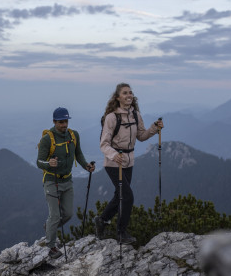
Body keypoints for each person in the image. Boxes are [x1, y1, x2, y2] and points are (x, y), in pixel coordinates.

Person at [95, 83, 164, 244]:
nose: (129, 95)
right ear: (118, 97)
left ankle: (102, 220)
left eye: (130, 92)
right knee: (127, 196)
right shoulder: (112, 117)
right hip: (114, 163)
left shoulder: (135, 115)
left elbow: (141, 136)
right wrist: (114, 155)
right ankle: (121, 232)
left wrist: (154, 128)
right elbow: (104, 144)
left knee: (119, 194)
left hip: (129, 161)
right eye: (125, 93)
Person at [37, 107, 95, 259]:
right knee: (55, 215)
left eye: (66, 121)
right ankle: (50, 246)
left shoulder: (73, 135)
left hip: (67, 180)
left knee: (68, 214)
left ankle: (49, 227)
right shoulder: (47, 139)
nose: (64, 124)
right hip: (51, 180)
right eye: (61, 122)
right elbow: (39, 162)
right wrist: (49, 164)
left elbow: (78, 153)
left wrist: (86, 165)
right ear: (54, 122)